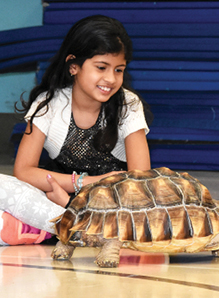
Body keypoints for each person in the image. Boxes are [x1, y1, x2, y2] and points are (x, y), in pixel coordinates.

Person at [0, 15, 153, 245]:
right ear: (74, 65)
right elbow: (24, 171)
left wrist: (72, 202)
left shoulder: (128, 106)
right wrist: (85, 183)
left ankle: (62, 225)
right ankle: (62, 223)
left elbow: (140, 181)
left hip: (112, 205)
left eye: (119, 70)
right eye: (101, 67)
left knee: (143, 208)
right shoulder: (48, 103)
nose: (111, 79)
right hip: (54, 195)